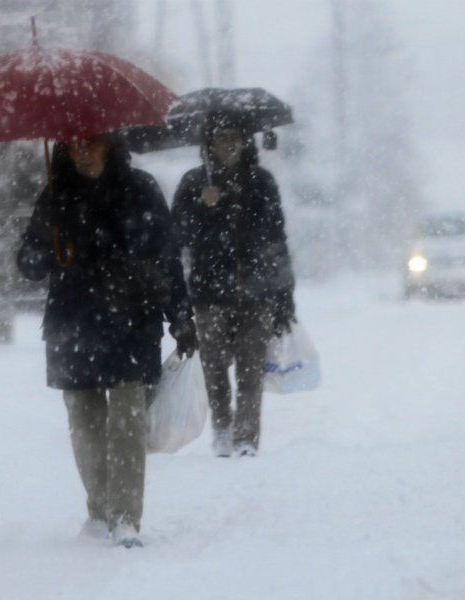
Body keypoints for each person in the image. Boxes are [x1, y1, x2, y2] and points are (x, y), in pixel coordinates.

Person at [17, 135, 197, 548]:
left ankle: (126, 517)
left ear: (110, 144)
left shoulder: (141, 189)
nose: (84, 150)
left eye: (93, 142)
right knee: (84, 420)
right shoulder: (54, 194)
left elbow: (167, 255)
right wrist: (43, 245)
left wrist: (181, 315)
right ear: (63, 149)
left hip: (131, 319)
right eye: (75, 144)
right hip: (72, 322)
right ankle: (99, 509)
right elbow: (27, 264)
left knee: (128, 419)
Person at [171, 113, 295, 458]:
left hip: (258, 293)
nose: (228, 142)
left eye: (235, 136)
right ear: (208, 144)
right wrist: (202, 206)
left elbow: (277, 240)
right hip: (210, 295)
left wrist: (285, 294)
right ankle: (222, 428)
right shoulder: (194, 183)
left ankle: (245, 439)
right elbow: (177, 235)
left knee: (251, 369)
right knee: (214, 367)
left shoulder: (262, 183)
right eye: (220, 136)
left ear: (245, 141)